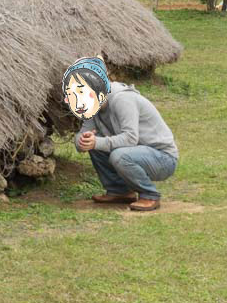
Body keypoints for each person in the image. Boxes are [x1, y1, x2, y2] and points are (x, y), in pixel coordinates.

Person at [63, 56, 178, 212]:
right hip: (134, 151)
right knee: (95, 144)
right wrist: (83, 141)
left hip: (163, 158)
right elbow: (83, 135)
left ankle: (150, 195)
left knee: (117, 154)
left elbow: (131, 138)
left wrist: (96, 142)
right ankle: (120, 191)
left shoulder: (122, 99)